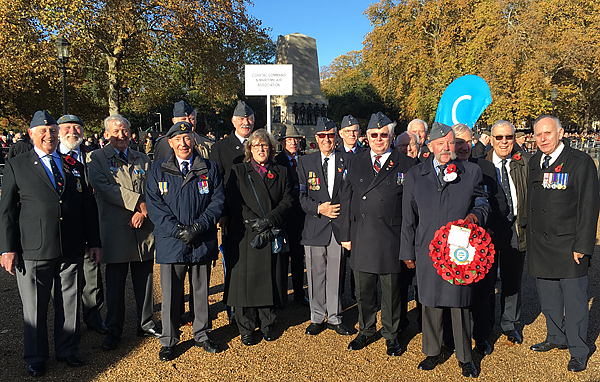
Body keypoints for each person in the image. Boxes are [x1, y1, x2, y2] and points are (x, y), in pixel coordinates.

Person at [0, 110, 101, 377]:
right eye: (43, 131)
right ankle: (36, 355)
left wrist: (94, 242)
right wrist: (7, 248)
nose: (49, 135)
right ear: (32, 134)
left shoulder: (73, 165)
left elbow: (86, 208)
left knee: (69, 302)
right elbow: (7, 211)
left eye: (53, 130)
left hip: (71, 245)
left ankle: (68, 349)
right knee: (34, 306)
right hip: (34, 248)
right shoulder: (17, 165)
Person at [400, 122, 489, 378]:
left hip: (459, 251)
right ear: (430, 146)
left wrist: (475, 217)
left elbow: (482, 202)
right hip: (427, 247)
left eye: (451, 142)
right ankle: (432, 351)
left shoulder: (470, 171)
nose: (447, 148)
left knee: (460, 304)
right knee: (429, 302)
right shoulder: (416, 175)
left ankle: (464, 356)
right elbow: (408, 216)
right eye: (441, 143)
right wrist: (407, 251)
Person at [146, 121, 225, 361]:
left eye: (187, 138)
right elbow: (154, 205)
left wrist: (199, 227)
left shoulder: (209, 168)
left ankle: (201, 334)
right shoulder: (158, 169)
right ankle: (169, 339)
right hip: (172, 240)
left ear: (194, 140)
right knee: (170, 293)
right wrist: (178, 230)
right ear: (170, 143)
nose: (183, 143)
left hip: (201, 238)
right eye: (177, 139)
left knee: (200, 291)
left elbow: (217, 201)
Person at [527, 115, 599, 373]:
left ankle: (579, 350)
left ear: (560, 133)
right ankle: (555, 337)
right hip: (541, 245)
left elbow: (589, 207)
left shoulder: (580, 162)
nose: (542, 139)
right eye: (538, 134)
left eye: (547, 133)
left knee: (576, 302)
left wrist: (583, 244)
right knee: (549, 300)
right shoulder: (534, 162)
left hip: (570, 246)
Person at [340, 112, 416, 356]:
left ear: (391, 137)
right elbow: (345, 198)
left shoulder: (405, 164)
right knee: (363, 290)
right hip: (361, 234)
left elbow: (411, 206)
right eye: (374, 135)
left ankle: (392, 334)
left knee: (392, 291)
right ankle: (366, 329)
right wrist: (345, 234)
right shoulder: (355, 162)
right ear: (367, 137)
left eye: (384, 135)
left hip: (391, 237)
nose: (379, 139)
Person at [87, 115, 160, 352]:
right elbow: (105, 189)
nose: (122, 135)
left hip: (142, 229)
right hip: (116, 230)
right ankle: (114, 330)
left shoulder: (141, 157)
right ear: (107, 133)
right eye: (117, 131)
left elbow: (153, 186)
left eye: (125, 130)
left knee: (145, 280)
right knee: (115, 285)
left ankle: (145, 322)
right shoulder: (96, 158)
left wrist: (142, 211)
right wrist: (138, 202)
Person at [224, 129, 293, 346]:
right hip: (247, 234)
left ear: (271, 149)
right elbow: (234, 200)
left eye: (265, 146)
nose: (261, 149)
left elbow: (288, 199)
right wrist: (254, 221)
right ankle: (245, 325)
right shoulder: (239, 170)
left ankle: (268, 323)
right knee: (245, 280)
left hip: (272, 230)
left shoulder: (281, 170)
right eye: (256, 146)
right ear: (249, 149)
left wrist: (269, 220)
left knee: (270, 278)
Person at [451, 123, 511, 355]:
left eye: (467, 141)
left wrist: (486, 235)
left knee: (483, 292)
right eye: (458, 142)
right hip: (452, 244)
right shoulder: (444, 168)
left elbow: (500, 203)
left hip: (482, 242)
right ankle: (452, 335)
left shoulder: (485, 167)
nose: (464, 147)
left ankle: (482, 336)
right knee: (455, 291)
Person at [297, 118, 353, 337]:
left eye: (330, 135)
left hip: (339, 226)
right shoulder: (305, 162)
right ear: (316, 138)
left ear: (336, 136)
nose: (326, 140)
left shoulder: (348, 160)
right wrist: (319, 208)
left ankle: (335, 316)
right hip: (315, 225)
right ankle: (317, 316)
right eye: (322, 136)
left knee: (336, 273)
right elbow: (300, 196)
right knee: (315, 273)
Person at [57, 114, 107, 336]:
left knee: (92, 276)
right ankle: (68, 325)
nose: (72, 132)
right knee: (66, 281)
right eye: (67, 127)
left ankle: (94, 317)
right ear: (58, 131)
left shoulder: (93, 156)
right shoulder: (54, 157)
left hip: (91, 223)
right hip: (65, 228)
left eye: (77, 128)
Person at [485, 121, 530, 347]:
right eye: (499, 137)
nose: (504, 142)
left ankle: (510, 324)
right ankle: (485, 325)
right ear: (491, 139)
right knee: (487, 279)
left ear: (514, 139)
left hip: (515, 227)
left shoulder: (525, 163)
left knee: (512, 279)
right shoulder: (481, 165)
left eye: (508, 137)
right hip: (489, 230)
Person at [273, 123, 309, 307]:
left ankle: (298, 293)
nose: (293, 143)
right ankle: (280, 296)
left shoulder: (304, 160)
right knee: (280, 258)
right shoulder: (277, 161)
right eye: (289, 140)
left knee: (297, 256)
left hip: (300, 215)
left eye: (295, 139)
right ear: (282, 142)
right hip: (283, 214)